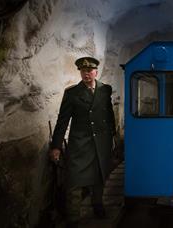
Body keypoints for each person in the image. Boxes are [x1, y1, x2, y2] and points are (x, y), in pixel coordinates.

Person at [49, 57, 116, 227]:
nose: (86, 74)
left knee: (99, 176)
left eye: (90, 71)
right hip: (80, 144)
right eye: (83, 71)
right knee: (74, 180)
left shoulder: (105, 90)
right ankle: (73, 217)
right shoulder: (72, 93)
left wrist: (112, 137)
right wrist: (56, 146)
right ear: (80, 72)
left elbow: (109, 115)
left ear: (96, 71)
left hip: (101, 142)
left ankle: (97, 204)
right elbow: (62, 120)